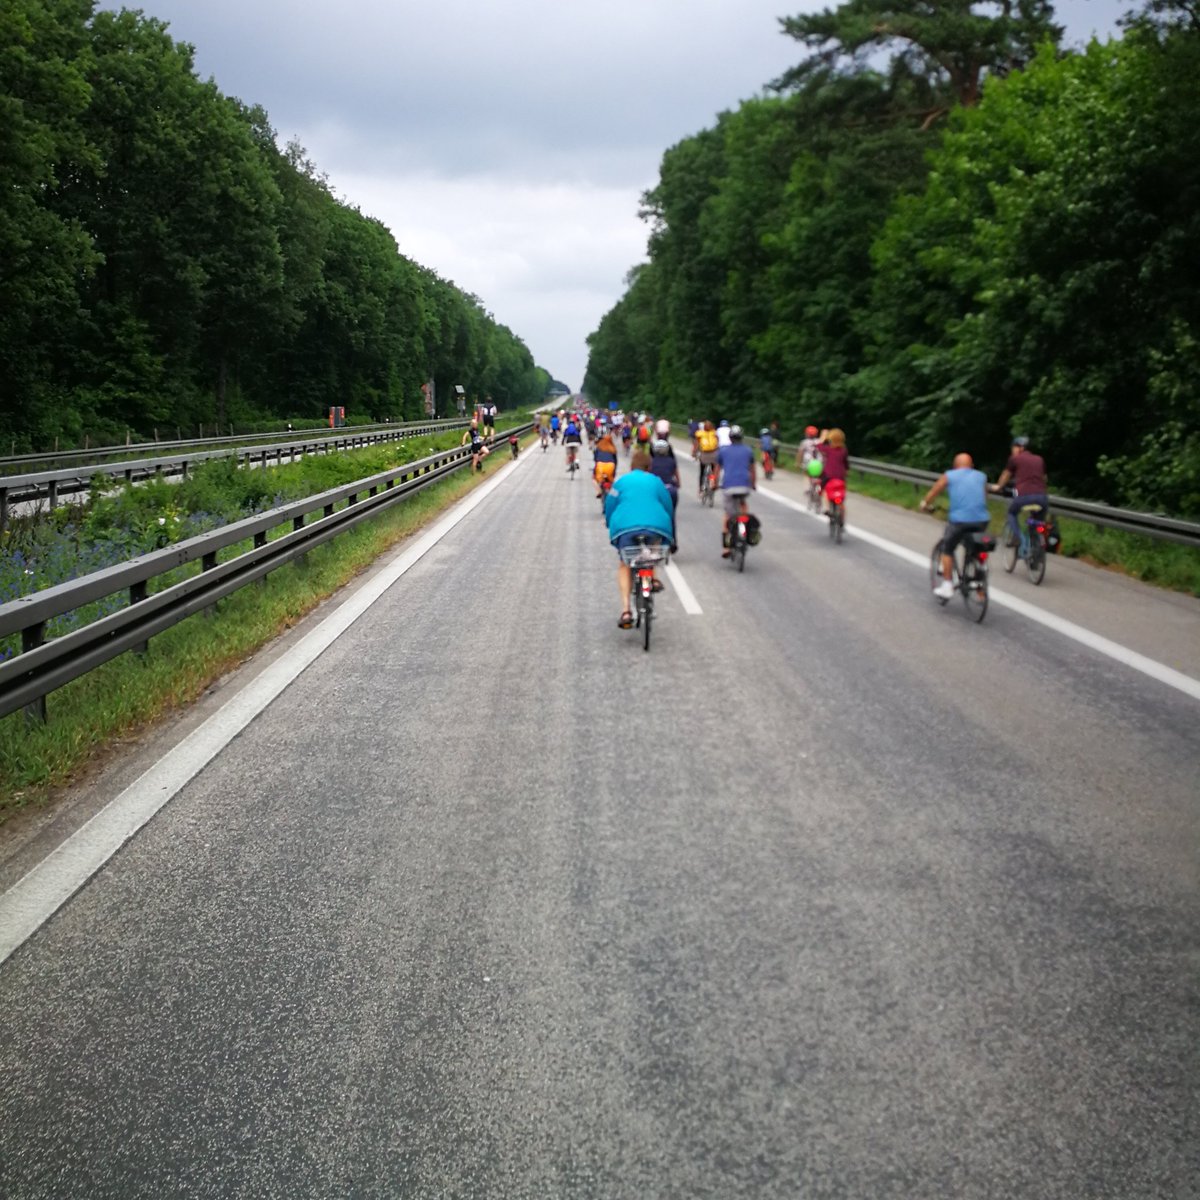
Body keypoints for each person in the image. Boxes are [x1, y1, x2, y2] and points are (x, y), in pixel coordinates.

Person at [604, 450, 676, 629]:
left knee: (625, 564)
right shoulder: (657, 481)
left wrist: (609, 522)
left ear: (631, 466)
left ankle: (626, 610)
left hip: (625, 528)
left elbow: (609, 505)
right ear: (649, 466)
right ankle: (653, 578)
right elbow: (668, 505)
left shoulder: (620, 482)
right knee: (652, 550)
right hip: (655, 527)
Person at [920, 452, 991, 598]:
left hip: (959, 520)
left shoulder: (950, 475)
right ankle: (980, 572)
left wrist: (925, 503)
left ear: (955, 466)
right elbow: (984, 497)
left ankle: (947, 586)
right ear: (971, 466)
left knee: (948, 548)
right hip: (982, 519)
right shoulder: (981, 476)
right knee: (976, 546)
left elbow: (935, 490)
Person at [992, 435, 1049, 539]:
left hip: (1024, 497)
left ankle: (1020, 539)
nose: (1012, 450)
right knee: (1037, 522)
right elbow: (1044, 479)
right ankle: (1037, 543)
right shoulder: (1040, 459)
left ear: (1021, 448)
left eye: (1014, 447)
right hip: (1042, 498)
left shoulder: (1014, 459)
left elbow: (1006, 475)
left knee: (1011, 514)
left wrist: (998, 487)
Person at [717, 425, 757, 556]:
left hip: (728, 485)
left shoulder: (723, 451)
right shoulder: (748, 450)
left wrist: (714, 483)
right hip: (744, 485)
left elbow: (717, 469)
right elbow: (752, 470)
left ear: (730, 438)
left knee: (728, 515)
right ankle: (744, 524)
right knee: (743, 503)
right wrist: (753, 484)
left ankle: (726, 547)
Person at [648, 437, 681, 514]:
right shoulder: (671, 460)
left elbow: (648, 475)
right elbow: (676, 473)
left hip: (655, 488)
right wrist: (678, 483)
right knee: (671, 512)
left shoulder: (651, 461)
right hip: (670, 489)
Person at [819, 428, 849, 510]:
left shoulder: (828, 449)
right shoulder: (844, 450)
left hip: (828, 475)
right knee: (841, 490)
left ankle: (827, 509)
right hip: (840, 475)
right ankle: (842, 515)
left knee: (824, 489)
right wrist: (846, 471)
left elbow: (819, 446)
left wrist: (823, 438)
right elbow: (846, 463)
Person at [695, 420, 720, 494]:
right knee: (713, 471)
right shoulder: (715, 433)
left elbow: (697, 444)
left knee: (702, 472)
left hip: (704, 454)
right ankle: (712, 483)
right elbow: (717, 443)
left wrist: (695, 453)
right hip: (713, 454)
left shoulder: (700, 433)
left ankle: (700, 488)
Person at [593, 429, 619, 497]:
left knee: (594, 478)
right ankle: (614, 494)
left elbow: (595, 459)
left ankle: (599, 491)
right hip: (610, 466)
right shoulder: (613, 448)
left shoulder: (599, 447)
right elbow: (615, 461)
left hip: (600, 466)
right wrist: (614, 472)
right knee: (612, 482)